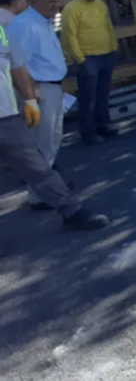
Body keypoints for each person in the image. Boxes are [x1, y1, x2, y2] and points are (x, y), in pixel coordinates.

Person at [0, 21, 109, 230]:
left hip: (7, 117)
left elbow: (17, 66)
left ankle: (72, 211)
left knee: (38, 168)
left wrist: (30, 99)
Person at [7, 0, 70, 211]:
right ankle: (39, 194)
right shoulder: (24, 25)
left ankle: (50, 187)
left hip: (51, 87)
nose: (55, 6)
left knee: (51, 140)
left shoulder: (43, 21)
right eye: (50, 1)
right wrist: (31, 94)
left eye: (57, 2)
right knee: (42, 144)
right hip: (39, 90)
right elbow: (17, 64)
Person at [61, 0, 119, 144]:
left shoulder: (100, 5)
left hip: (106, 53)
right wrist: (79, 58)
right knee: (88, 96)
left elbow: (107, 26)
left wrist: (113, 45)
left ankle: (103, 125)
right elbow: (68, 36)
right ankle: (88, 132)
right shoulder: (71, 9)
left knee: (103, 93)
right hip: (88, 57)